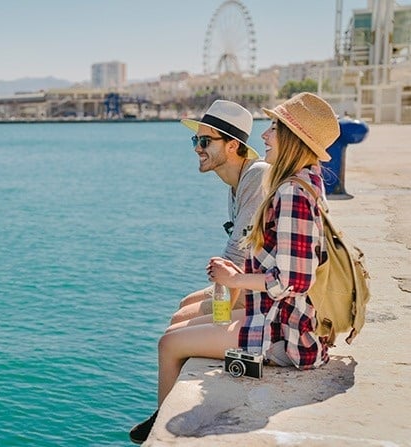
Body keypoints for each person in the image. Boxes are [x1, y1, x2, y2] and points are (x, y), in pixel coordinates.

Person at [129, 92, 340, 444]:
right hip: (282, 315)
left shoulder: (282, 188)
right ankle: (164, 409)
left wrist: (231, 282)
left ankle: (163, 431)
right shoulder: (299, 181)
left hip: (286, 330)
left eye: (274, 127)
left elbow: (294, 279)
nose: (266, 135)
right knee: (182, 320)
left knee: (169, 344)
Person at [171, 100, 269, 324]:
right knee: (185, 305)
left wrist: (219, 319)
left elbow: (236, 257)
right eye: (196, 140)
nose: (197, 148)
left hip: (272, 291)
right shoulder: (237, 183)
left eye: (205, 141)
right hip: (254, 281)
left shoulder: (256, 176)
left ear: (232, 146)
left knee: (179, 320)